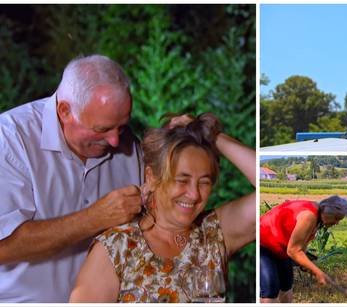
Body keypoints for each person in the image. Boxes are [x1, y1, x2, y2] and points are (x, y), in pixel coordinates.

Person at [0, 55, 143, 302]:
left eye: (121, 127)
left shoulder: (130, 145)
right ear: (64, 110)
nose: (115, 141)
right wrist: (95, 217)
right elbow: (4, 247)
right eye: (101, 129)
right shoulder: (10, 140)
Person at [68, 113, 255, 303]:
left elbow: (279, 188)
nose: (194, 194)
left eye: (204, 183)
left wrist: (211, 136)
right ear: (151, 177)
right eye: (182, 180)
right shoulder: (117, 249)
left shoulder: (215, 233)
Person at [260, 196, 347, 303]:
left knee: (286, 286)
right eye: (336, 219)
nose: (337, 223)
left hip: (280, 246)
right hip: (263, 242)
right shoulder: (309, 216)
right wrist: (318, 273)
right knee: (270, 290)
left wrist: (304, 262)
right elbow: (293, 251)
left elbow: (301, 242)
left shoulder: (318, 216)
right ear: (328, 213)